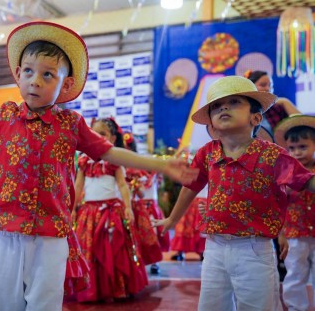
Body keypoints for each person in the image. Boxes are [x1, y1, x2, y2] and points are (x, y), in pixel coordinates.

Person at [0, 21, 198, 311]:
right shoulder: (3, 116)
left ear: (66, 84)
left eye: (47, 75)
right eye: (28, 71)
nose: (35, 81)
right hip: (6, 231)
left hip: (51, 234)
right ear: (18, 74)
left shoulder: (71, 124)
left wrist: (160, 165)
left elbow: (109, 153)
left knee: (45, 304)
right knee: (4, 304)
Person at [155, 76, 315, 311]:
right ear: (211, 121)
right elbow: (190, 186)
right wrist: (172, 219)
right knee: (211, 306)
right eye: (217, 106)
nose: (224, 108)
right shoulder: (207, 153)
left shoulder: (273, 155)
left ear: (255, 118)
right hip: (214, 247)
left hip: (254, 249)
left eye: (234, 102)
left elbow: (307, 181)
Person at [73, 118, 148, 302]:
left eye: (102, 134)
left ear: (112, 138)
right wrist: (73, 208)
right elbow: (78, 186)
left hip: (111, 211)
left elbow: (122, 185)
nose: (97, 137)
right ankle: (93, 290)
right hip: (89, 212)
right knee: (89, 249)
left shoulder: (115, 160)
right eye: (93, 133)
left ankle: (117, 288)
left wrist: (128, 207)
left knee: (113, 249)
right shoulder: (83, 161)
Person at [244, 69, 300, 281]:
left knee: (282, 209)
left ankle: (285, 261)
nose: (268, 89)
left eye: (270, 85)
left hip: (280, 166)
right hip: (257, 169)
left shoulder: (278, 109)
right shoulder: (245, 112)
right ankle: (268, 261)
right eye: (263, 84)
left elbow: (301, 121)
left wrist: (285, 103)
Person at [274, 115, 315, 311]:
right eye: (292, 148)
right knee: (295, 273)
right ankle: (295, 307)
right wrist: (281, 233)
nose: (297, 153)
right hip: (294, 234)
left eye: (303, 147)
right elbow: (278, 205)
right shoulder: (286, 173)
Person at [124, 132, 166, 274]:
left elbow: (142, 191)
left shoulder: (137, 168)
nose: (126, 149)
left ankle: (152, 263)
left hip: (139, 206)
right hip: (123, 206)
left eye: (128, 146)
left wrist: (134, 183)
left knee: (148, 236)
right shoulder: (117, 166)